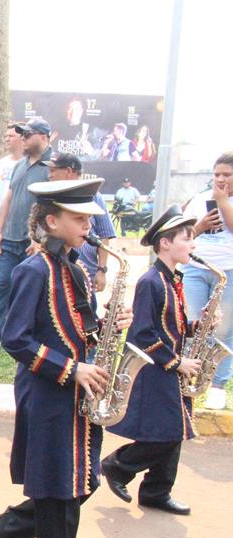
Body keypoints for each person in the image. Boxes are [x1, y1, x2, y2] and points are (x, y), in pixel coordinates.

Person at [0, 178, 132, 538]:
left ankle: (9, 527)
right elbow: (15, 339)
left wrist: (107, 326)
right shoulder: (32, 270)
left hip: (76, 392)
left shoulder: (77, 267)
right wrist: (71, 368)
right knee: (62, 486)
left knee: (76, 481)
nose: (90, 224)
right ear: (51, 221)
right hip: (49, 392)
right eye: (80, 218)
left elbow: (81, 327)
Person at [101, 207, 201, 516]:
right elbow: (143, 334)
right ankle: (118, 465)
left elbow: (169, 325)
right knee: (168, 432)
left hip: (170, 369)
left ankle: (158, 491)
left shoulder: (172, 280)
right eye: (187, 238)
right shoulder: (151, 282)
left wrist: (196, 327)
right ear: (165, 243)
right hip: (158, 369)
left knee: (175, 431)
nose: (193, 245)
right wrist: (176, 362)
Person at [0, 117, 54, 358]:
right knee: (2, 285)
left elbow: (51, 205)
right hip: (9, 238)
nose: (23, 138)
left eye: (28, 134)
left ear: (43, 136)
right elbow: (7, 197)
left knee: (29, 290)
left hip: (33, 242)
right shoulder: (20, 165)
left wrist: (38, 238)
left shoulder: (53, 166)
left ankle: (23, 337)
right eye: (22, 134)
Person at [182, 151, 233, 410]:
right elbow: (182, 231)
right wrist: (200, 226)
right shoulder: (199, 200)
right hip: (195, 268)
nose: (221, 179)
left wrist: (223, 202)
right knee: (191, 326)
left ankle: (217, 385)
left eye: (227, 174)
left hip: (228, 271)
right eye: (217, 174)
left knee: (223, 330)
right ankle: (187, 380)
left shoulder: (225, 200)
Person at [45, 154, 115, 291]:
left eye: (53, 170)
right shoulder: (50, 197)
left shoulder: (94, 196)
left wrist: (101, 270)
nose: (49, 175)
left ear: (69, 171)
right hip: (56, 269)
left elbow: (104, 235)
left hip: (86, 271)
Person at [0, 125, 24, 235]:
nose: (7, 139)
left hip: (24, 227)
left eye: (11, 136)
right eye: (6, 136)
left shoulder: (30, 164)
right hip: (2, 228)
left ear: (23, 138)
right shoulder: (0, 164)